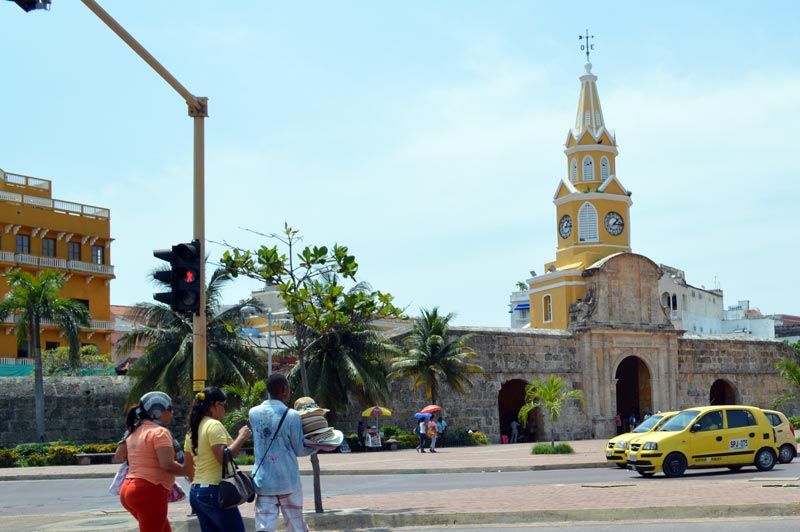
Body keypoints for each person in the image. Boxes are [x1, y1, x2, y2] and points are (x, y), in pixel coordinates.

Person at [249, 373, 316, 532]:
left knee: (264, 527)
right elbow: (299, 449)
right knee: (295, 525)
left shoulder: (253, 413)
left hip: (263, 482)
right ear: (284, 389)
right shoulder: (292, 416)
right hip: (288, 481)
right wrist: (319, 445)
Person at [116, 391, 187, 532]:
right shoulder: (159, 432)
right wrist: (189, 471)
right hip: (150, 491)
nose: (171, 414)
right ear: (159, 411)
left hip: (128, 490)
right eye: (170, 409)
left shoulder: (134, 430)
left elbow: (119, 455)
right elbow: (167, 464)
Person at [183, 387, 252, 532]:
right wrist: (242, 437)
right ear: (216, 405)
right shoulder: (214, 425)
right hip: (214, 489)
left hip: (197, 491)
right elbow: (223, 457)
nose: (224, 410)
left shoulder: (193, 429)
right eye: (224, 405)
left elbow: (188, 464)